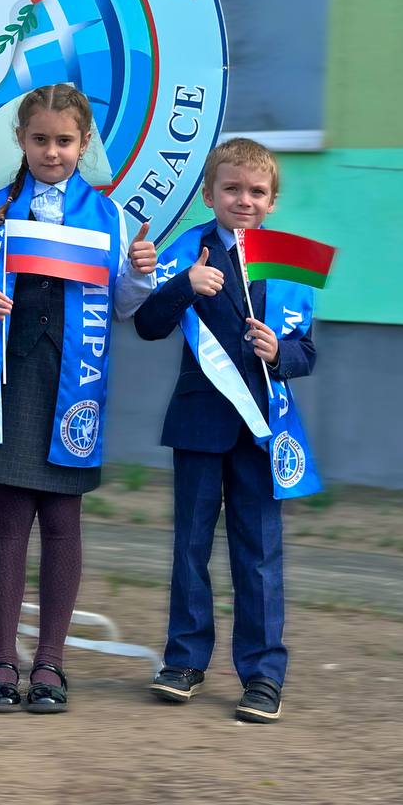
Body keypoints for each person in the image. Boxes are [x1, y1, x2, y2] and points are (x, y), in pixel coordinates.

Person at [0, 84, 157, 713]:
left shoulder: (108, 216)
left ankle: (50, 660)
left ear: (84, 144)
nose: (52, 152)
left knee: (62, 519)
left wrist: (139, 274)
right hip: (15, 375)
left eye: (65, 141)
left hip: (75, 376)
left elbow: (124, 305)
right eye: (40, 139)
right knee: (9, 518)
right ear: (21, 140)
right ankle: (1, 658)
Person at [134, 137, 317, 723]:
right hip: (199, 423)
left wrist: (281, 352)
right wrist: (184, 285)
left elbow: (308, 352)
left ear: (272, 201)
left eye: (256, 191)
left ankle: (263, 674)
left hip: (262, 430)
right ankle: (184, 661)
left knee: (259, 553)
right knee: (190, 546)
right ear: (209, 195)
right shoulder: (187, 252)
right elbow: (147, 325)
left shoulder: (287, 261)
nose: (244, 200)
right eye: (231, 188)